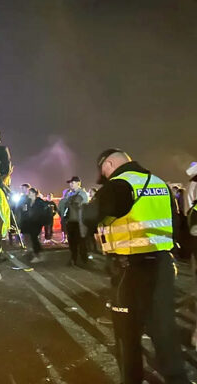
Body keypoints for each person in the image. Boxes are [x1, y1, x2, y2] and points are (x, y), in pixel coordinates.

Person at [81, 148, 189, 384]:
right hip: (162, 264)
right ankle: (177, 378)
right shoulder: (159, 183)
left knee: (127, 334)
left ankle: (132, 379)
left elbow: (90, 216)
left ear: (109, 164)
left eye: (104, 172)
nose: (105, 177)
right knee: (164, 328)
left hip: (129, 268)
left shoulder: (119, 184)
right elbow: (176, 221)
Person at [59, 176, 89, 265]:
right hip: (71, 221)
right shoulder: (70, 194)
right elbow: (64, 206)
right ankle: (74, 258)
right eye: (70, 183)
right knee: (72, 242)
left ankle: (84, 259)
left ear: (78, 183)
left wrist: (68, 201)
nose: (70, 184)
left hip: (79, 221)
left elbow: (77, 203)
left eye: (73, 183)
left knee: (81, 241)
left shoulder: (82, 193)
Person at [20, 188, 50, 263]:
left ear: (34, 193)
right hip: (30, 223)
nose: (28, 194)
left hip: (37, 223)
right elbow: (25, 211)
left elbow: (42, 212)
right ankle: (36, 252)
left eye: (30, 193)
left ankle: (38, 255)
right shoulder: (28, 202)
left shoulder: (39, 202)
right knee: (31, 238)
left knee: (34, 237)